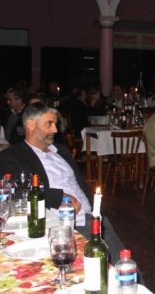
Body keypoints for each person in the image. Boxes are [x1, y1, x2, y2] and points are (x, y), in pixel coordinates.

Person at [0, 103, 125, 261]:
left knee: (122, 262)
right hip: (62, 225)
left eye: (55, 124)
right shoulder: (13, 156)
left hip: (91, 218)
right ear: (31, 125)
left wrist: (97, 209)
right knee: (101, 266)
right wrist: (58, 197)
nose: (55, 130)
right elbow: (16, 190)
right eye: (49, 124)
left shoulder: (61, 151)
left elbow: (79, 183)